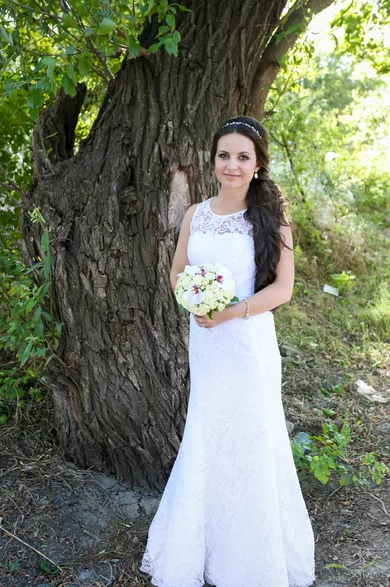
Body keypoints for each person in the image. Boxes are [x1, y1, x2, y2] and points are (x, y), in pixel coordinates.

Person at [139, 115, 315, 587]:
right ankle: (203, 542)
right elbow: (178, 270)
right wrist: (194, 298)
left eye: (243, 157)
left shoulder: (271, 217)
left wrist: (231, 311)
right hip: (208, 343)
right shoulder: (196, 214)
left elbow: (283, 289)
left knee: (252, 439)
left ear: (257, 164)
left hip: (247, 343)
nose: (232, 165)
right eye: (224, 155)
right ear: (212, 159)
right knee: (208, 430)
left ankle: (252, 556)